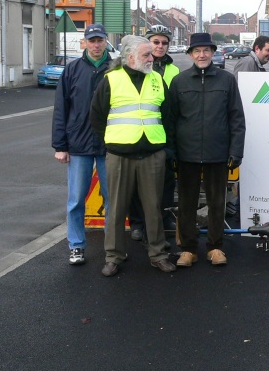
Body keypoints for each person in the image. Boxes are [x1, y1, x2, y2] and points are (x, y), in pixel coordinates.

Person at [90, 35, 176, 276]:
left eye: (151, 54)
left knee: (153, 207)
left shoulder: (157, 79)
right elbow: (96, 117)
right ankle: (114, 256)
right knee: (116, 209)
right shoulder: (111, 79)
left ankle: (158, 254)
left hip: (152, 153)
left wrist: (165, 147)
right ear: (130, 57)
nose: (152, 58)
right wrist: (110, 142)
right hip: (120, 154)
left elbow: (168, 115)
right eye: (146, 54)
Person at [169, 33, 246, 267]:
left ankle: (215, 247)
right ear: (191, 54)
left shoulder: (226, 80)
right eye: (197, 51)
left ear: (213, 53)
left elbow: (236, 118)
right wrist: (171, 151)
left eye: (206, 50)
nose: (201, 55)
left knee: (216, 202)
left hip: (218, 152)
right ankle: (188, 250)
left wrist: (236, 151)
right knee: (187, 204)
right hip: (186, 153)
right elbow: (170, 120)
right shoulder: (179, 82)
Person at [52, 23, 113, 266]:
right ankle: (76, 246)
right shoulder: (73, 70)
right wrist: (60, 145)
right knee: (76, 199)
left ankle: (113, 247)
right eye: (92, 40)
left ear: (106, 41)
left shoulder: (116, 69)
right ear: (85, 43)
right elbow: (61, 109)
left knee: (113, 200)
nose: (96, 45)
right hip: (78, 144)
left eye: (100, 40)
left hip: (111, 145)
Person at [128, 25, 180, 244]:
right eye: (155, 42)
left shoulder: (174, 71)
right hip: (141, 132)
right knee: (137, 183)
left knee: (167, 181)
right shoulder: (139, 65)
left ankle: (165, 216)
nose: (159, 47)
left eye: (164, 43)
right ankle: (138, 223)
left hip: (165, 132)